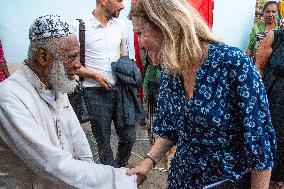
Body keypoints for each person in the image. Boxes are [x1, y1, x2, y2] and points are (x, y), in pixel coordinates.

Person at [126, 0, 276, 188]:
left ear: (165, 26)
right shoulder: (172, 69)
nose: (139, 43)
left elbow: (260, 144)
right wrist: (146, 164)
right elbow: (169, 130)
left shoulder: (233, 64)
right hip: (182, 179)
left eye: (140, 33)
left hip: (224, 182)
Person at [0, 15, 137, 189]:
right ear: (43, 56)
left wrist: (93, 171)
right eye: (72, 57)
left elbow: (78, 140)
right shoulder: (9, 98)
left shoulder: (56, 83)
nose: (79, 65)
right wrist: (122, 179)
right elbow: (51, 165)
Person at [71, 0, 138, 168]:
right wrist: (94, 75)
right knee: (103, 141)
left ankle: (120, 167)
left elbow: (124, 57)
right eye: (119, 1)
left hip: (121, 91)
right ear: (103, 1)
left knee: (129, 136)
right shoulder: (79, 26)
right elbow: (71, 65)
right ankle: (110, 176)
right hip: (94, 93)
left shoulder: (121, 26)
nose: (123, 5)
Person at [255, 29, 284, 189]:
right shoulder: (276, 36)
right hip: (273, 99)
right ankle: (267, 179)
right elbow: (258, 67)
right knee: (272, 138)